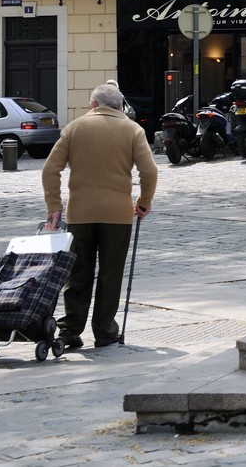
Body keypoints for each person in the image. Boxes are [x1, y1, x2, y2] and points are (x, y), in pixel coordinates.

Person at [42, 81, 157, 349]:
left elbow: (50, 169)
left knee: (78, 274)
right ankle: (105, 330)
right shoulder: (133, 130)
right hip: (117, 214)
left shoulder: (74, 128)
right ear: (119, 106)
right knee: (110, 273)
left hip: (80, 214)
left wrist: (54, 206)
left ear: (94, 105)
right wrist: (144, 201)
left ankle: (71, 329)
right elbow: (149, 171)